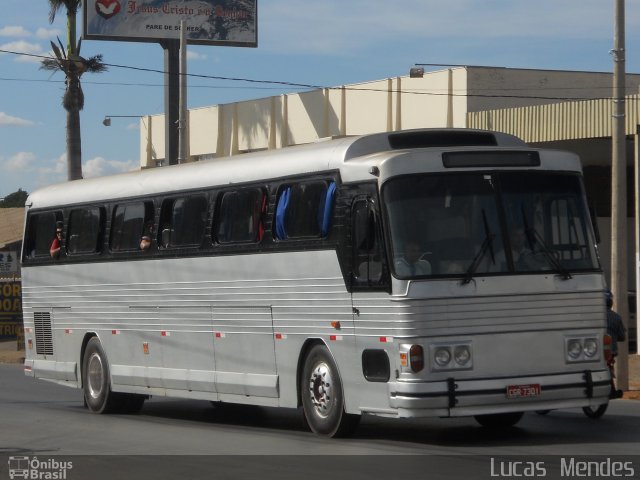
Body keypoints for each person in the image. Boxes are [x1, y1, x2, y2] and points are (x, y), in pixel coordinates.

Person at [605, 290, 626, 399]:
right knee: (608, 366)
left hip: (595, 351)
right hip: (612, 351)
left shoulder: (594, 317)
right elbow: (622, 337)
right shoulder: (617, 317)